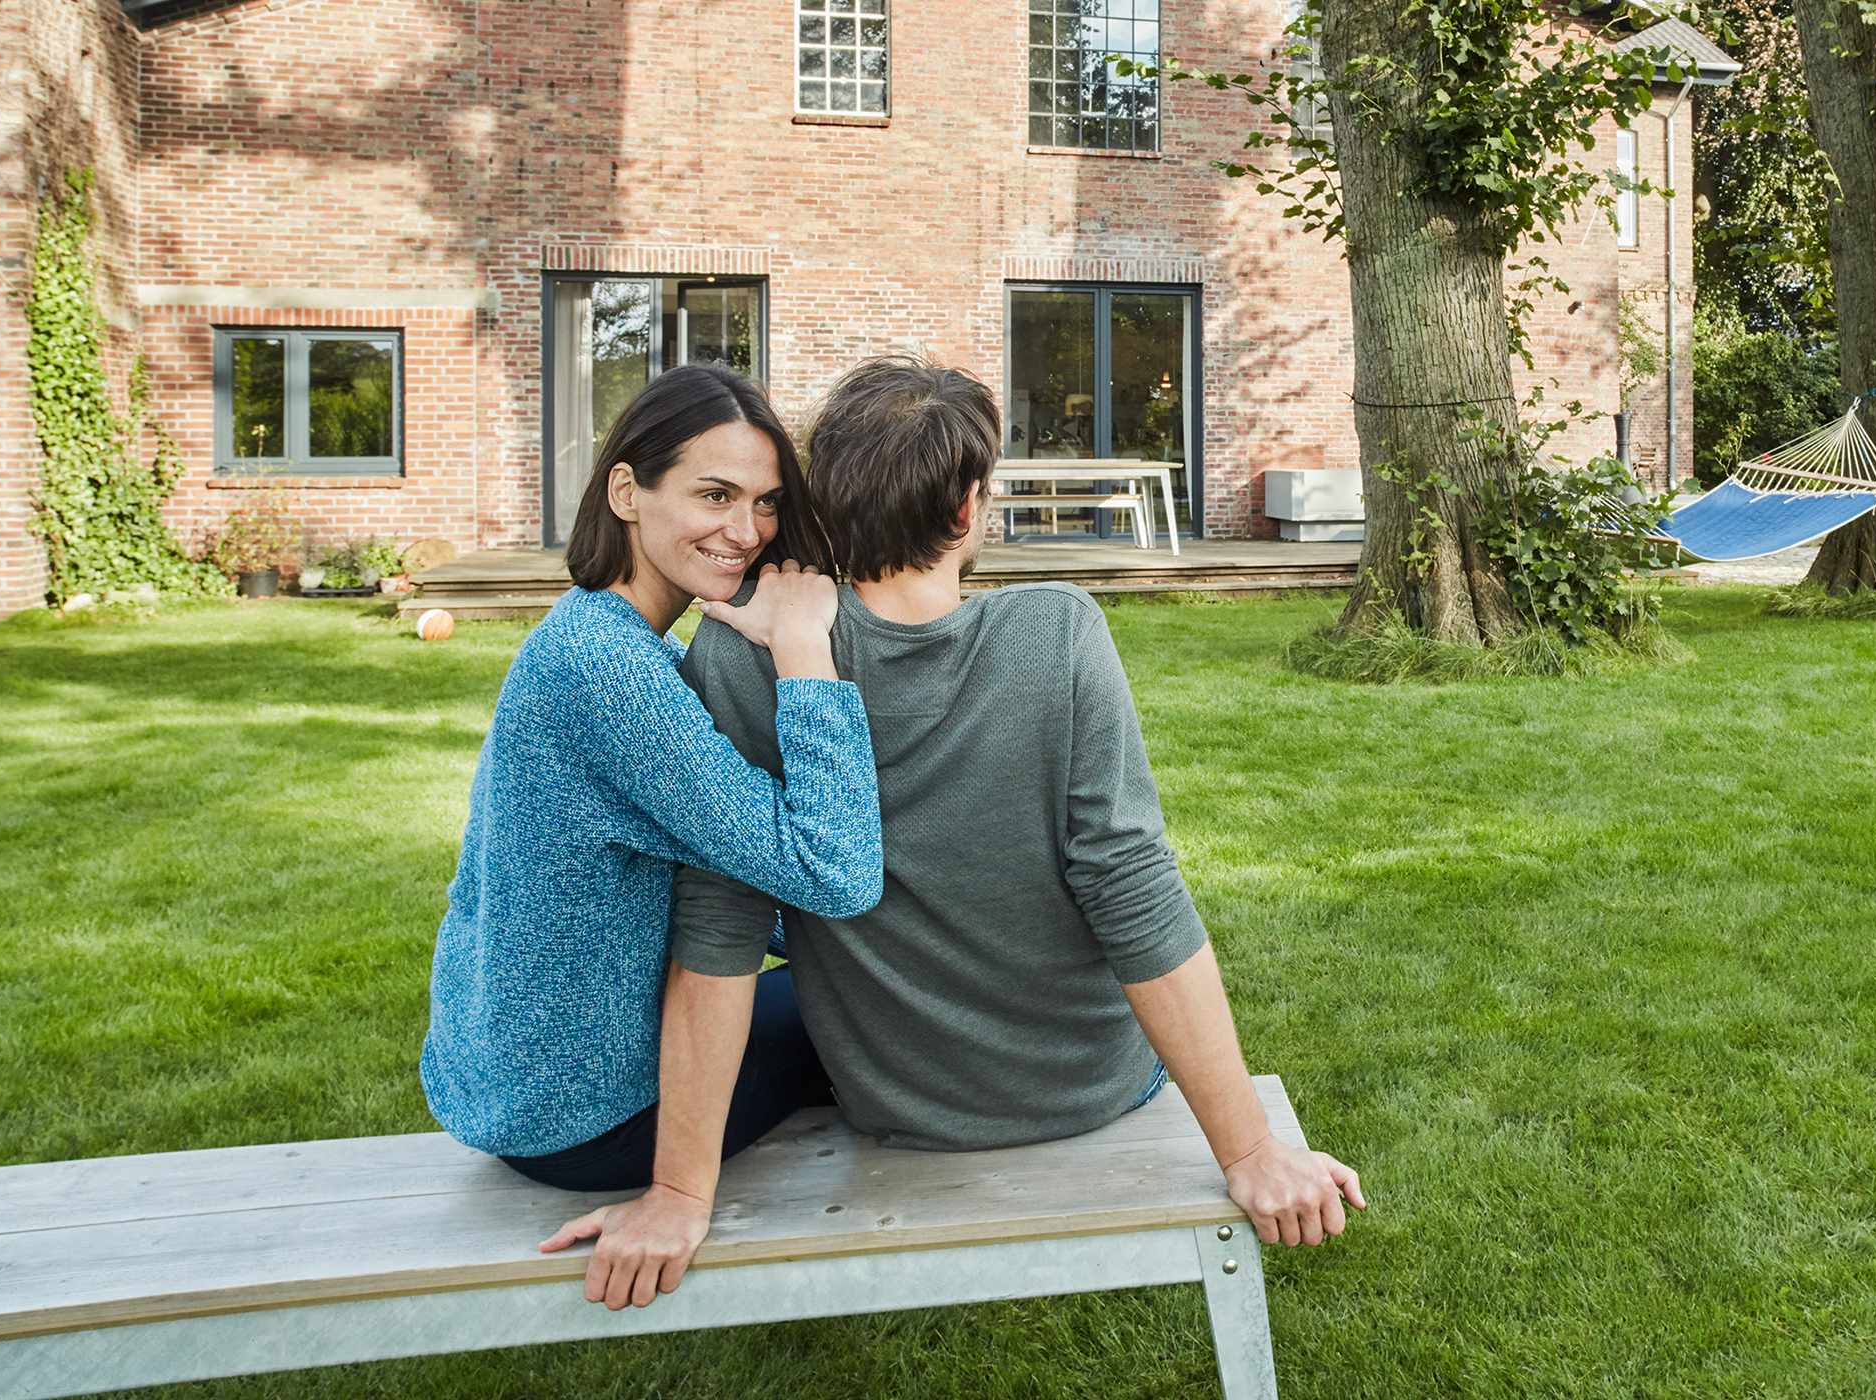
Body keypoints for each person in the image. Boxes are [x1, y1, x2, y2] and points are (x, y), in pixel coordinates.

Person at [593, 356, 1364, 1304]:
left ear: (821, 502)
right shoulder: (1056, 631)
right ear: (967, 510)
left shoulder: (745, 652)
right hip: (1092, 1085)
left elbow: (719, 928)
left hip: (901, 1104)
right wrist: (1248, 1150)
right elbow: (1132, 889)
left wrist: (679, 1193)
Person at [419, 365, 887, 1308]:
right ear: (628, 491)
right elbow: (829, 869)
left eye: (763, 504)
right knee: (902, 1003)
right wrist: (804, 650)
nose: (746, 531)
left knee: (863, 976)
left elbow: (736, 875)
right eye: (714, 495)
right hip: (589, 1117)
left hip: (515, 1078)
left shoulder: (598, 633)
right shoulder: (608, 672)